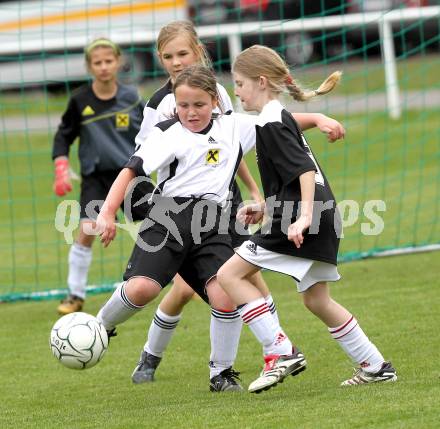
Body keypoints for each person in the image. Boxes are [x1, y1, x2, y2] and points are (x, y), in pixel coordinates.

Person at [129, 20, 346, 389]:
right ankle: (152, 357)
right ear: (160, 59)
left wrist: (252, 191)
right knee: (189, 289)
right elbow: (145, 157)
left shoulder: (220, 96)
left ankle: (251, 360)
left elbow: (231, 146)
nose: (176, 62)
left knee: (235, 279)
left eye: (183, 53)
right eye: (168, 56)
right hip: (178, 206)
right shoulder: (159, 104)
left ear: (198, 51)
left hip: (221, 202)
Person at [217, 45, 397, 393]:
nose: (236, 91)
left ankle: (280, 351)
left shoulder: (270, 122)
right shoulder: (277, 117)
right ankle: (376, 366)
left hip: (305, 220)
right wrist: (268, 209)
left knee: (229, 274)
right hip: (320, 216)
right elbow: (293, 177)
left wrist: (302, 217)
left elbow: (301, 172)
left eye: (239, 83)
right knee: (316, 299)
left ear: (262, 81)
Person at [94, 64, 271, 392]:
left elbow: (277, 124)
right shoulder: (167, 133)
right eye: (183, 105)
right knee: (142, 290)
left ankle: (221, 373)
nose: (190, 112)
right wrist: (106, 213)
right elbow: (130, 171)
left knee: (225, 295)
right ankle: (100, 326)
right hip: (167, 219)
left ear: (215, 102)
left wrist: (319, 119)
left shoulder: (234, 127)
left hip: (212, 223)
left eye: (199, 105)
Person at [52, 38, 152, 315]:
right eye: (98, 62)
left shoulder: (132, 97)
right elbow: (63, 136)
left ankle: (182, 282)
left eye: (109, 61)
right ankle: (75, 293)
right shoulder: (79, 100)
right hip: (96, 177)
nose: (104, 67)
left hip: (131, 173)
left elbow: (152, 132)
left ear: (118, 62)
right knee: (87, 229)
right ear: (89, 66)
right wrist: (61, 165)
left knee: (159, 226)